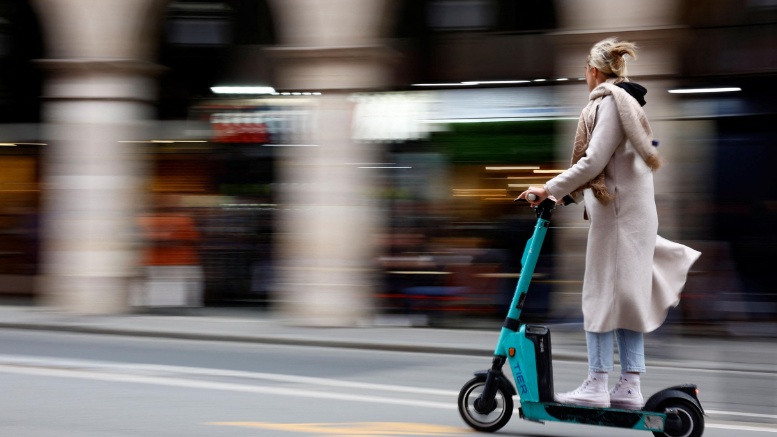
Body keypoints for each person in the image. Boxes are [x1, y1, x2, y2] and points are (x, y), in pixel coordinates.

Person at [517, 38, 701, 410]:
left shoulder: (609, 104)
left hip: (618, 218)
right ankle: (629, 386)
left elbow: (593, 162)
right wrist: (563, 197)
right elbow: (608, 166)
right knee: (626, 300)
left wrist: (548, 187)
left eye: (584, 70)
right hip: (628, 215)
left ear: (593, 71)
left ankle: (597, 383)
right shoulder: (626, 103)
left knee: (599, 296)